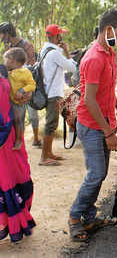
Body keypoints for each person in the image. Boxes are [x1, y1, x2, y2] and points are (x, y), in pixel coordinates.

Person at [69, 8, 117, 242]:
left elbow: (107, 89)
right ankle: (75, 217)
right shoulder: (93, 58)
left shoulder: (109, 53)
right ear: (108, 30)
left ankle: (89, 216)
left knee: (100, 173)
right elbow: (89, 100)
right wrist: (108, 132)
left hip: (104, 121)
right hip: (92, 124)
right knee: (96, 173)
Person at [0, 64, 36, 243]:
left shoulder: (5, 72)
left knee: (11, 178)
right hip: (8, 135)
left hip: (8, 136)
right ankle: (9, 222)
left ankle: (9, 223)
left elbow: (17, 100)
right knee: (9, 179)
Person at [38, 24, 76, 166]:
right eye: (60, 35)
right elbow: (72, 67)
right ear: (55, 36)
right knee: (51, 123)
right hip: (54, 93)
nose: (62, 37)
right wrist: (67, 51)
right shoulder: (54, 53)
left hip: (49, 91)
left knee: (52, 123)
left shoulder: (45, 51)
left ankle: (49, 153)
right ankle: (44, 157)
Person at [0, 22, 41, 148]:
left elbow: (33, 67)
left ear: (7, 33)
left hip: (24, 90)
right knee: (14, 121)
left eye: (1, 34)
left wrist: (25, 91)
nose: (1, 37)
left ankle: (33, 138)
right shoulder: (7, 48)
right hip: (10, 96)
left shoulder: (26, 45)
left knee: (28, 116)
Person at [3, 48, 36, 150]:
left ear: (13, 61)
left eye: (6, 60)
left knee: (18, 120)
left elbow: (32, 84)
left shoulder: (25, 72)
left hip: (18, 103)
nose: (4, 62)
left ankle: (19, 140)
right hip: (10, 102)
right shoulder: (7, 72)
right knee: (13, 121)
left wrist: (22, 91)